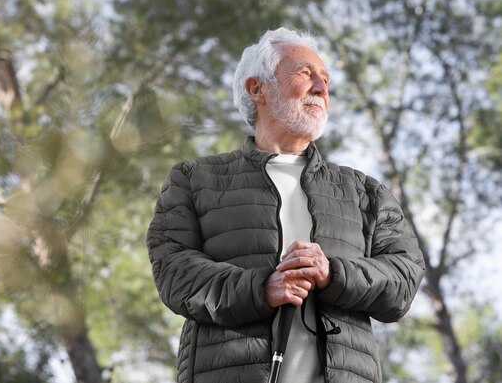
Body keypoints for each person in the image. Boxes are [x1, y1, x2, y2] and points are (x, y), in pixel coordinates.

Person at [146, 28, 425, 383]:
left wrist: (333, 273)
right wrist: (262, 288)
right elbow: (174, 270)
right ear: (256, 89)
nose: (322, 89)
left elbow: (403, 278)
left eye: (325, 80)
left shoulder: (365, 192)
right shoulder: (194, 178)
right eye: (305, 74)